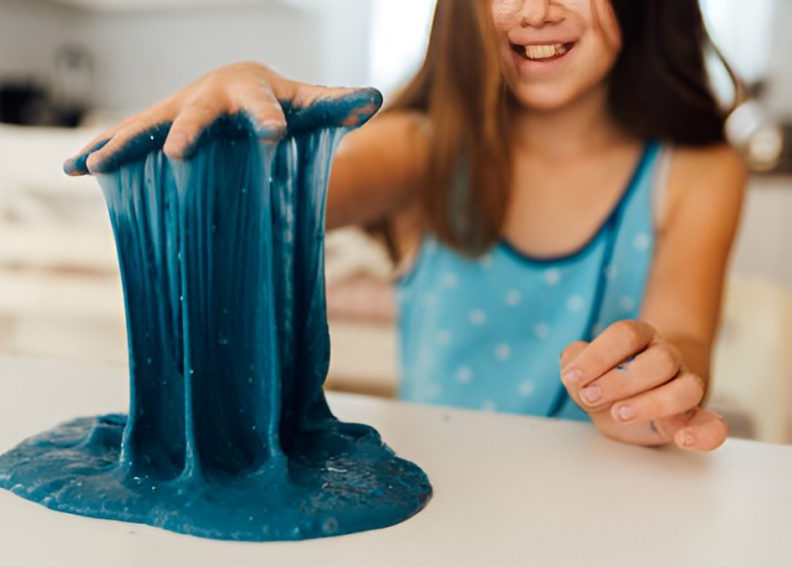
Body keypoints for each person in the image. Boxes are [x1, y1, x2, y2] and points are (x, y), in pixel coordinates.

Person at [66, 0, 746, 452]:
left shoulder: (699, 172)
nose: (538, 9)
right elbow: (269, 205)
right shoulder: (422, 148)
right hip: (437, 515)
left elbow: (686, 339)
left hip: (610, 518)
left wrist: (660, 385)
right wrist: (244, 116)